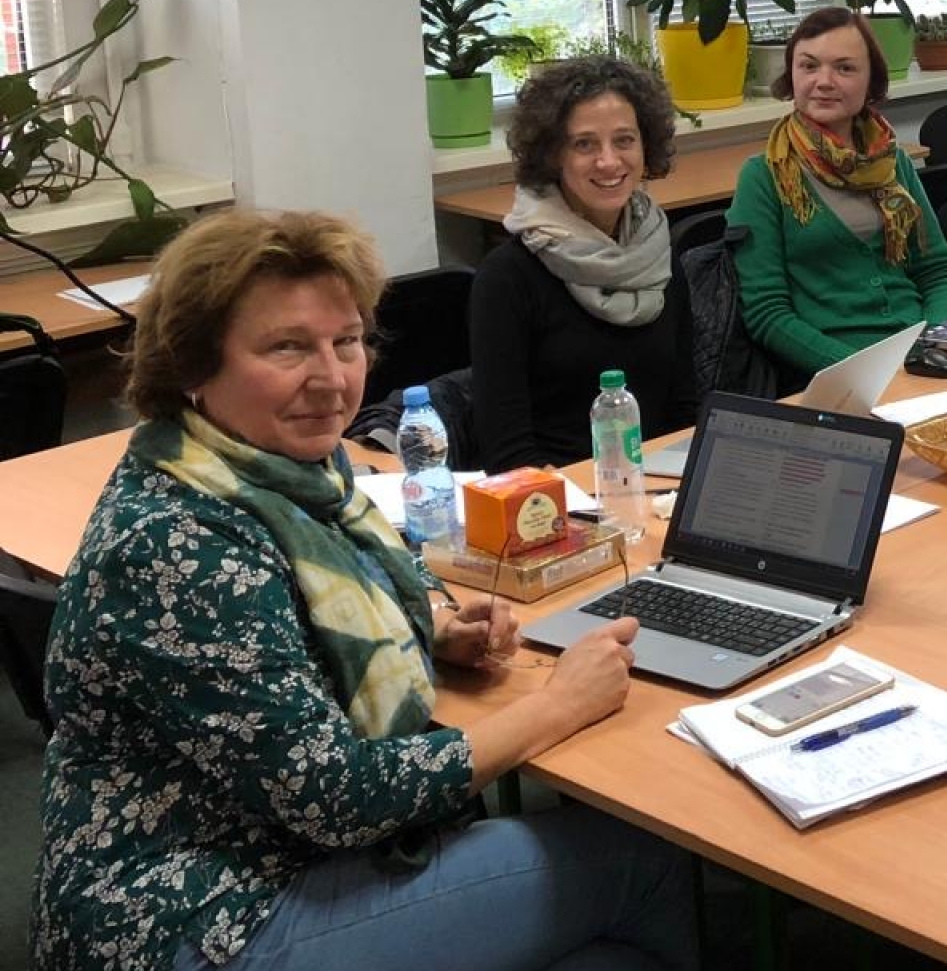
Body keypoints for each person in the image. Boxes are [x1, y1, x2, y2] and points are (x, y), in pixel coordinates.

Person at [34, 210, 695, 971]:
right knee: (645, 860)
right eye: (287, 347)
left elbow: (349, 590)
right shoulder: (176, 542)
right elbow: (338, 797)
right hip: (196, 914)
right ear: (191, 364)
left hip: (275, 859)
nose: (332, 377)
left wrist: (432, 629)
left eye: (345, 342)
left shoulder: (275, 468)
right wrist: (559, 704)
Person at [471, 56, 698, 471]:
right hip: (559, 500)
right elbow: (508, 454)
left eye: (624, 140)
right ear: (553, 155)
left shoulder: (657, 255)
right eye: (584, 144)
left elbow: (686, 412)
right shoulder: (507, 278)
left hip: (657, 487)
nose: (609, 161)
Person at [729, 6, 947, 379]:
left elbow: (940, 271)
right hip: (834, 372)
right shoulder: (764, 175)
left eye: (844, 68)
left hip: (921, 357)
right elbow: (766, 314)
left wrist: (933, 340)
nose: (824, 81)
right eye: (809, 66)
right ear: (791, 76)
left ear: (871, 82)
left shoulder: (893, 162)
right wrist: (861, 371)